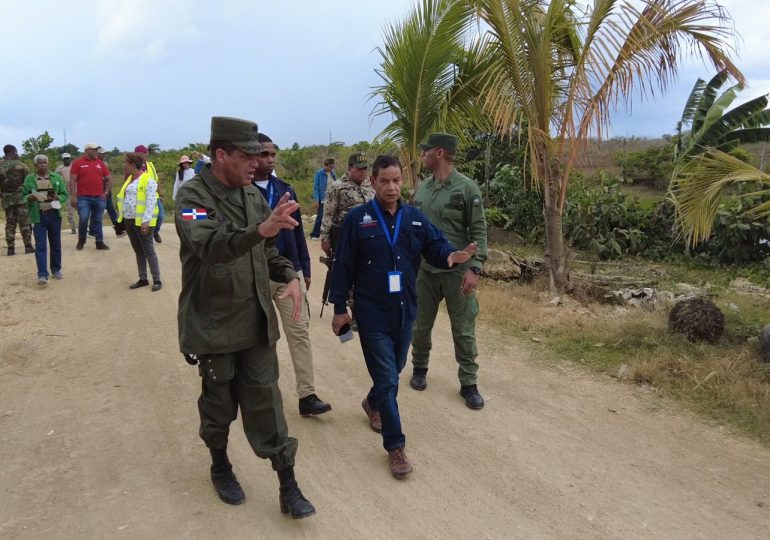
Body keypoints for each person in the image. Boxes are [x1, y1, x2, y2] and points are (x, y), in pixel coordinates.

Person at [175, 116, 315, 518]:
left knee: (267, 402)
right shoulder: (190, 199)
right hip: (213, 324)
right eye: (247, 155)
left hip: (255, 322)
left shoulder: (253, 196)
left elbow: (266, 252)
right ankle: (220, 464)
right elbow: (213, 246)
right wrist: (262, 231)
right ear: (221, 155)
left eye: (259, 155)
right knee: (218, 405)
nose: (256, 163)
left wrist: (287, 275)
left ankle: (288, 485)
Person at [329, 154, 476, 479]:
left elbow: (436, 246)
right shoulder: (358, 219)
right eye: (385, 181)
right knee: (388, 379)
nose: (392, 186)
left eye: (397, 180)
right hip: (371, 313)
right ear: (373, 182)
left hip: (405, 310)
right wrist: (340, 308)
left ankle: (372, 402)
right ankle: (395, 447)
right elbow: (343, 266)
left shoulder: (415, 218)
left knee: (394, 370)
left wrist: (453, 255)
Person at [252, 133, 331, 417]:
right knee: (261, 338)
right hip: (255, 275)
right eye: (264, 154)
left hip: (288, 274)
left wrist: (304, 270)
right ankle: (263, 395)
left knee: (299, 332)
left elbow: (297, 232)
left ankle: (307, 396)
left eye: (273, 154)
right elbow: (194, 217)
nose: (270, 159)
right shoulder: (241, 192)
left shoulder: (285, 189)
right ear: (251, 156)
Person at [409, 133, 488, 410]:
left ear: (439, 153)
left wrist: (475, 269)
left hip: (458, 272)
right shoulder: (422, 189)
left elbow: (479, 230)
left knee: (464, 329)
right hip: (426, 270)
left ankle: (469, 384)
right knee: (419, 324)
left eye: (426, 151)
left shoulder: (467, 189)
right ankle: (419, 369)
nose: (423, 155)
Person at [117, 152, 161, 291]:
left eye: (125, 162)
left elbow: (151, 202)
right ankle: (143, 279)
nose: (124, 165)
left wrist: (146, 221)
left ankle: (157, 280)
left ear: (132, 164)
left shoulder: (147, 180)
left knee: (148, 251)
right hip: (129, 220)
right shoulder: (129, 179)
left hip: (142, 221)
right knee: (138, 251)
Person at [22, 155, 69, 284]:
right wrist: (30, 198)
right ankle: (42, 274)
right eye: (40, 163)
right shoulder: (30, 179)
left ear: (48, 164)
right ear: (36, 165)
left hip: (54, 214)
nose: (42, 165)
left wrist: (58, 198)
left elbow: (65, 195)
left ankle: (56, 270)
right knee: (41, 246)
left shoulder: (57, 177)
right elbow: (24, 196)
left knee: (55, 244)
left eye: (44, 163)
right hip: (39, 216)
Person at [320, 152, 375, 258]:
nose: (363, 172)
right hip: (345, 236)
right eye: (359, 169)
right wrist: (325, 238)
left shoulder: (370, 184)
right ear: (350, 168)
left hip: (369, 234)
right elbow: (328, 213)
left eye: (365, 168)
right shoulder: (337, 187)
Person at [69, 142, 111, 251]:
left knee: (97, 220)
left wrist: (106, 193)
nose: (97, 151)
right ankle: (82, 239)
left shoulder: (100, 163)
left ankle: (99, 242)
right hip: (83, 197)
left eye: (97, 149)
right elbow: (72, 180)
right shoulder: (78, 163)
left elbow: (108, 178)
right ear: (87, 150)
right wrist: (73, 197)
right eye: (94, 149)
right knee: (83, 217)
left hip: (99, 197)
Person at [0, 144, 34, 256]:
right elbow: (28, 183)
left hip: (6, 199)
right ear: (13, 151)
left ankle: (10, 248)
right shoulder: (22, 166)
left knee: (10, 223)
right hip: (21, 198)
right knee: (24, 222)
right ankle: (28, 246)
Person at [133, 145, 164, 243]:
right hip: (141, 196)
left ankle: (155, 232)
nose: (147, 154)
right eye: (145, 152)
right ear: (139, 154)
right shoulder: (134, 166)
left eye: (147, 152)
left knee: (160, 216)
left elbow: (156, 179)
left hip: (154, 195)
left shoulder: (150, 165)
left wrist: (160, 192)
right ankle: (143, 236)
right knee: (141, 218)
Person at [98, 148, 124, 237]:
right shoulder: (96, 163)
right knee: (98, 210)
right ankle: (92, 230)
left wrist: (107, 189)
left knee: (111, 209)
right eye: (102, 154)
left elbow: (108, 177)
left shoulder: (105, 163)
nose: (104, 155)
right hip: (99, 190)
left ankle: (118, 230)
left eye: (104, 153)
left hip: (107, 189)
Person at [309, 157, 335, 239]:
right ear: (325, 166)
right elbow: (316, 187)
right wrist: (316, 200)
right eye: (330, 167)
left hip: (332, 199)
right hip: (323, 199)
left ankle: (330, 234)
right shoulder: (319, 173)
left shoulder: (333, 174)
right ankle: (314, 234)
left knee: (332, 217)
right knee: (320, 217)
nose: (331, 168)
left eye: (332, 166)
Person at [55, 152, 77, 234]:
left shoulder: (74, 166)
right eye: (65, 159)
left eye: (68, 158)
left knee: (81, 209)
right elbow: (54, 177)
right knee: (70, 209)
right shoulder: (59, 169)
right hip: (67, 189)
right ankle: (73, 228)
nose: (67, 160)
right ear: (62, 160)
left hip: (77, 188)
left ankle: (84, 227)